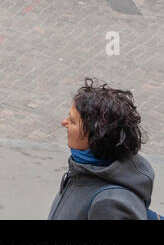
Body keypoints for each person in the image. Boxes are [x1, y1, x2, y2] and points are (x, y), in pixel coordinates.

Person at [49, 80, 156, 220]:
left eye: (73, 121)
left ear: (94, 136)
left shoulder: (110, 203)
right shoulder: (84, 168)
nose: (64, 122)